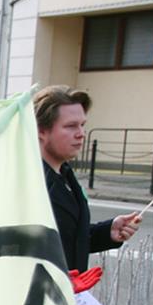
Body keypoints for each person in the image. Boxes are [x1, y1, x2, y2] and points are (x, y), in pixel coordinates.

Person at [34, 85, 141, 271]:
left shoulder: (65, 174)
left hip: (67, 294)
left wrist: (108, 232)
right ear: (41, 131)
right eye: (70, 126)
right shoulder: (31, 181)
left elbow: (66, 237)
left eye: (82, 125)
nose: (81, 134)